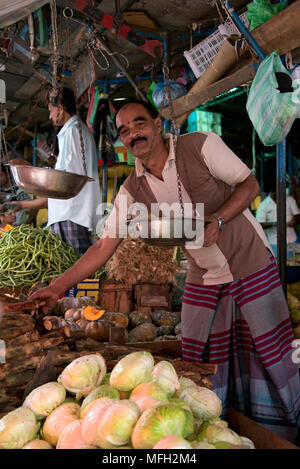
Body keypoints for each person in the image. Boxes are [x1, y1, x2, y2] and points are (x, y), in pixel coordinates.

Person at [29, 100, 300, 442]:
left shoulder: (200, 145)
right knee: (199, 352)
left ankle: (283, 434)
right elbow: (102, 247)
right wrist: (57, 288)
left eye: (139, 123)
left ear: (158, 124)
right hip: (204, 272)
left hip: (248, 261)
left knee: (268, 355)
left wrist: (219, 219)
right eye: (124, 131)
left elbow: (249, 186)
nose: (132, 134)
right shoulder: (132, 189)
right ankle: (222, 425)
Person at [11, 88, 101, 255]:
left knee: (76, 268)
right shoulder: (72, 132)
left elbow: (67, 181)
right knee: (67, 268)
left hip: (73, 214)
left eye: (51, 111)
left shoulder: (74, 132)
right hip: (69, 214)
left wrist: (33, 171)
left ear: (61, 109)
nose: (50, 117)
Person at [256, 188, 300, 257]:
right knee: (278, 264)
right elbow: (259, 224)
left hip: (291, 239)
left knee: (292, 262)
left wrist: (294, 222)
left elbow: (297, 215)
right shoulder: (263, 205)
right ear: (270, 192)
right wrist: (277, 224)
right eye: (275, 192)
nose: (278, 193)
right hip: (274, 242)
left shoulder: (290, 200)